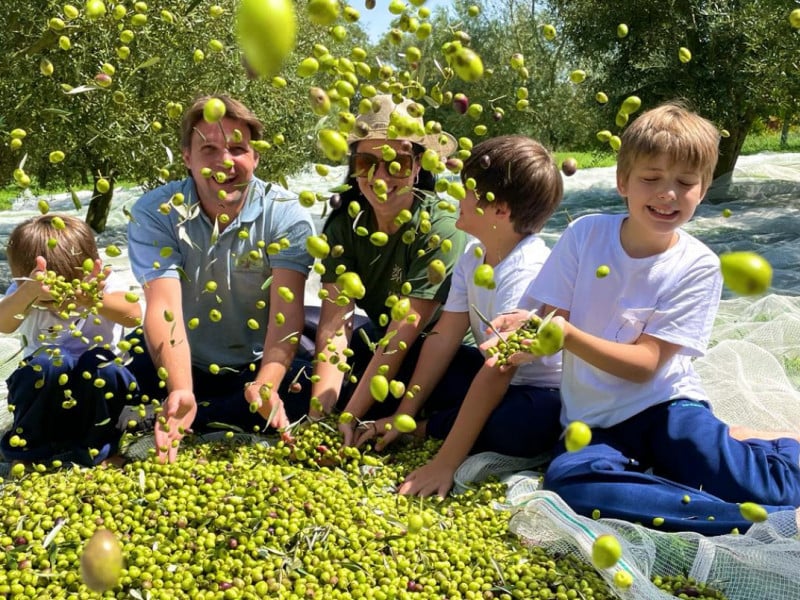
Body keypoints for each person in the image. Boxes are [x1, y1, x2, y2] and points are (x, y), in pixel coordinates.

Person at [475, 102, 800, 534]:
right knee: (569, 482)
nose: (668, 194)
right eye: (651, 179)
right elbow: (550, 320)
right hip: (590, 422)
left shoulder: (697, 265)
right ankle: (757, 520)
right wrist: (520, 336)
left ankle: (780, 454)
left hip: (665, 407)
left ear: (703, 191)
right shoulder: (585, 234)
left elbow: (645, 366)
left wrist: (562, 334)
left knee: (772, 487)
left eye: (685, 183)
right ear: (622, 181)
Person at [356, 136, 564, 497]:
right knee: (383, 349)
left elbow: (499, 372)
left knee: (522, 423)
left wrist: (445, 462)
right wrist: (403, 413)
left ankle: (431, 429)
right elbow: (443, 338)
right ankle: (424, 423)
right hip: (484, 372)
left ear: (499, 210)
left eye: (467, 189)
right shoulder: (473, 255)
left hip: (533, 391)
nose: (456, 195)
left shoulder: (526, 269)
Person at [126, 94, 315, 463]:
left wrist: (266, 384)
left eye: (238, 148)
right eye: (209, 148)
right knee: (108, 387)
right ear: (187, 157)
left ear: (256, 156)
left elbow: (285, 316)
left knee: (313, 391)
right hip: (179, 363)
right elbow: (164, 307)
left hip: (254, 368)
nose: (224, 162)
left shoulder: (286, 215)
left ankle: (213, 416)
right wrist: (181, 390)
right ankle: (194, 412)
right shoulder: (156, 212)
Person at [309, 94, 469, 444]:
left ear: (418, 165)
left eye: (396, 162)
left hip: (443, 355)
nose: (381, 177)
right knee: (310, 379)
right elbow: (336, 327)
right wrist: (318, 417)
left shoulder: (439, 228)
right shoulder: (343, 226)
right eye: (367, 162)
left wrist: (351, 415)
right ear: (353, 167)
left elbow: (403, 332)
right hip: (385, 347)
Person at [0, 214, 142, 465]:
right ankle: (28, 450)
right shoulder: (26, 294)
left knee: (103, 364)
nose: (62, 302)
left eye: (68, 289)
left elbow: (134, 316)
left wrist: (94, 301)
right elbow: (4, 324)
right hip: (47, 402)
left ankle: (100, 448)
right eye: (51, 296)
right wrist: (28, 294)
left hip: (98, 402)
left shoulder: (103, 287)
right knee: (50, 361)